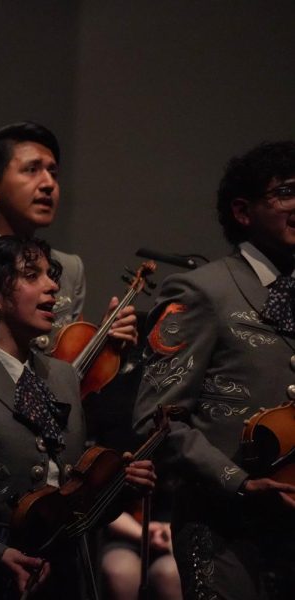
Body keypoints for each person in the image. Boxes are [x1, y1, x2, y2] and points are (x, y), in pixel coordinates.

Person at [0, 236, 154, 599]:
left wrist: (122, 488)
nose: (53, 286)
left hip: (63, 581)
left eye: (51, 275)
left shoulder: (64, 377)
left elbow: (75, 506)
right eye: (32, 275)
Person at [133, 140, 295, 599]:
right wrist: (241, 483)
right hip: (222, 527)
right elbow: (155, 421)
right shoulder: (201, 291)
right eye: (286, 192)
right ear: (243, 211)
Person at [0, 122, 135, 375]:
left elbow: (71, 378)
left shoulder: (70, 268)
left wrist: (103, 345)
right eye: (32, 170)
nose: (49, 183)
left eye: (54, 173)